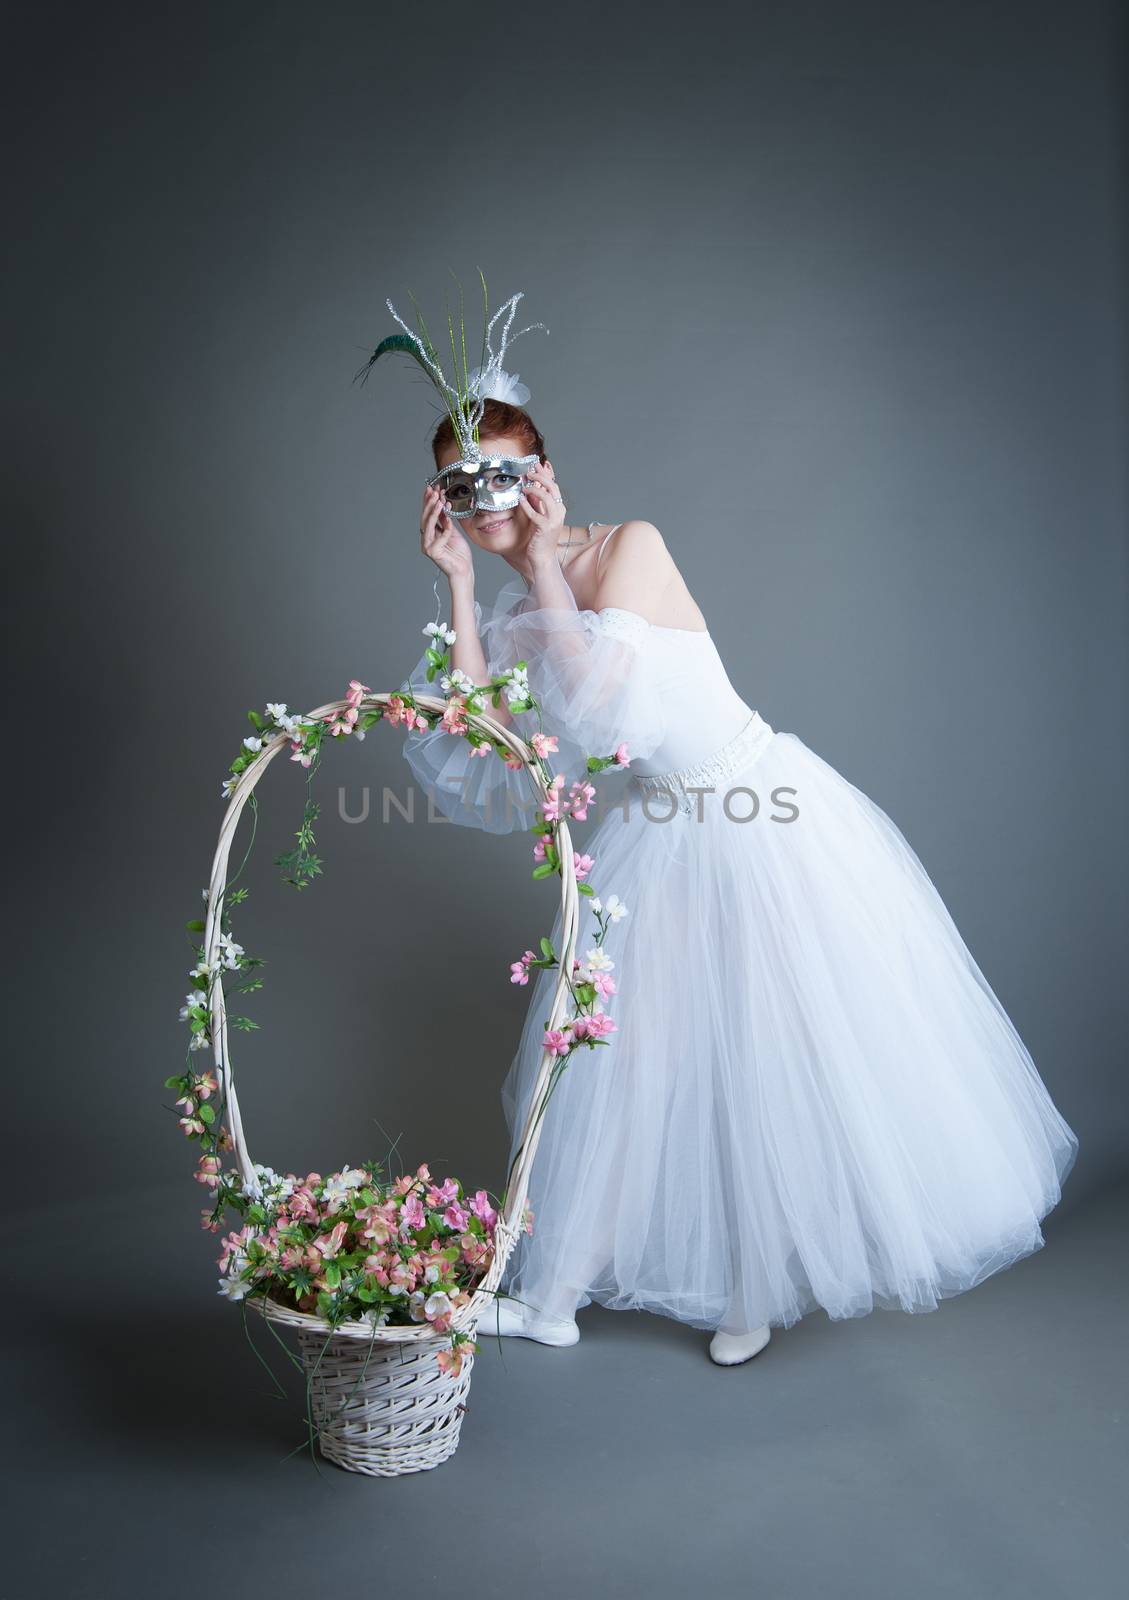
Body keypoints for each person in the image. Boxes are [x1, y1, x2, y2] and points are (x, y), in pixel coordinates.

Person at [399, 395, 1080, 1368]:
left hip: (757, 814)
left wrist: (545, 561)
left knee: (765, 1055)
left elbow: (597, 714)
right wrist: (462, 589)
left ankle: (752, 1289)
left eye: (503, 473)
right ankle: (550, 1298)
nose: (487, 498)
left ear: (542, 473)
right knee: (615, 1061)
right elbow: (484, 749)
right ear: (447, 502)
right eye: (464, 486)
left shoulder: (627, 547)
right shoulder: (510, 616)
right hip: (658, 829)